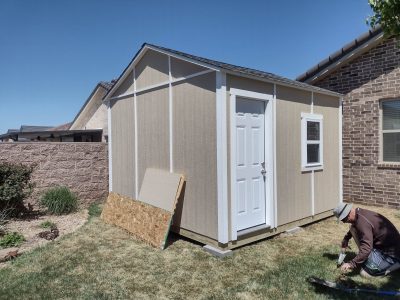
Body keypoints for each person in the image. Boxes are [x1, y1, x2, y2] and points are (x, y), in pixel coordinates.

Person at [333, 203, 400, 277]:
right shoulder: (359, 214)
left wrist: (351, 263)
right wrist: (346, 239)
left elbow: (366, 248)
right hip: (383, 247)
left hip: (391, 255)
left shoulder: (362, 223)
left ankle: (396, 265)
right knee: (352, 228)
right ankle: (370, 257)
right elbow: (355, 228)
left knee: (364, 274)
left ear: (348, 214)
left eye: (343, 219)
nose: (344, 222)